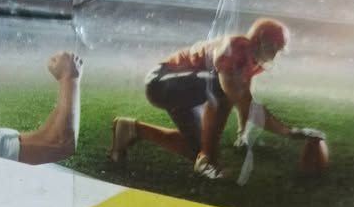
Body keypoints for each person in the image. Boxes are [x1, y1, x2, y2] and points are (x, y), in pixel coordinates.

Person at [109, 17, 323, 181]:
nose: (274, 55)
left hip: (181, 88)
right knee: (220, 90)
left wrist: (243, 132)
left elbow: (245, 94)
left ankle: (131, 129)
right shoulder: (233, 51)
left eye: (278, 51)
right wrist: (289, 131)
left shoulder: (252, 58)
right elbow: (239, 98)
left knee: (195, 147)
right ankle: (208, 160)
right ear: (258, 41)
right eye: (272, 48)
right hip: (161, 83)